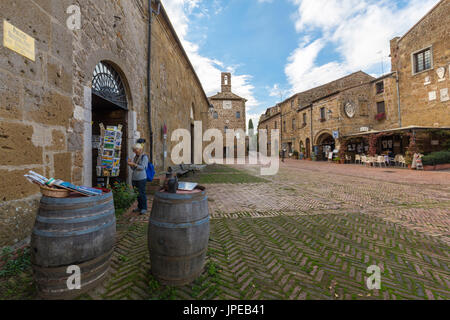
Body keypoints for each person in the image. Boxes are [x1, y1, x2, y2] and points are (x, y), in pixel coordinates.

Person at [128, 143, 149, 215]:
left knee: (142, 193)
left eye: (136, 150)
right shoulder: (135, 157)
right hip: (135, 178)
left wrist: (134, 164)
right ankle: (139, 207)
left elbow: (143, 167)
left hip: (141, 178)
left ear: (140, 149)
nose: (135, 152)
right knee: (137, 194)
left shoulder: (144, 157)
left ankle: (144, 208)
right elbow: (133, 168)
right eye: (134, 150)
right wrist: (130, 164)